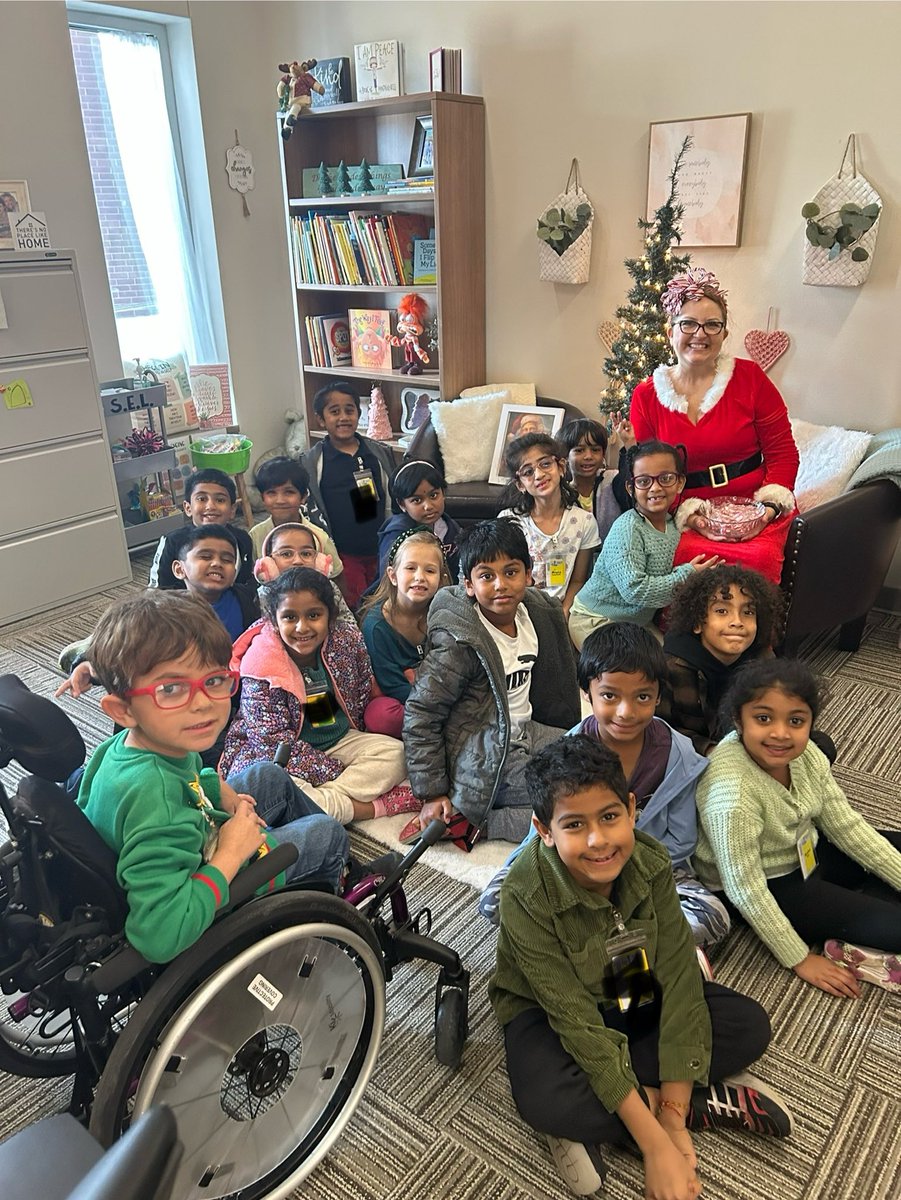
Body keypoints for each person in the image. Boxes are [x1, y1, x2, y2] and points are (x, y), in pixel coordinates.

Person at [490, 735, 792, 1200]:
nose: (598, 841)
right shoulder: (525, 895)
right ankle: (696, 1100)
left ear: (632, 809)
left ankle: (643, 1111)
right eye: (574, 825)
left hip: (624, 979)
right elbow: (575, 1024)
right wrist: (657, 1146)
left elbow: (680, 980)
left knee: (748, 1025)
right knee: (546, 1099)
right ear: (544, 830)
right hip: (544, 1009)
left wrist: (671, 1118)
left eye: (610, 817)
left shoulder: (649, 863)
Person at [75, 589, 352, 964]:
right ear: (121, 709)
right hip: (205, 895)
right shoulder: (157, 806)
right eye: (170, 689)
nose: (203, 702)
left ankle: (291, 853)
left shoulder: (136, 743)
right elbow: (159, 933)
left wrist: (213, 787)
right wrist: (232, 854)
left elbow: (183, 774)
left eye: (214, 680)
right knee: (326, 833)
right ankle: (325, 908)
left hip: (192, 843)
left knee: (266, 774)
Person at [479, 623, 730, 949]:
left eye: (642, 697)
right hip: (577, 862)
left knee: (712, 916)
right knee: (495, 900)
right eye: (610, 696)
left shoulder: (676, 752)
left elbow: (681, 842)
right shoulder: (570, 748)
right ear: (587, 693)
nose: (626, 712)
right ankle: (626, 942)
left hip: (647, 869)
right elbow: (541, 834)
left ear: (657, 697)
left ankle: (590, 942)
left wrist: (623, 874)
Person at [695, 658, 901, 997]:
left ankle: (853, 920)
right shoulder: (732, 794)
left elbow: (847, 826)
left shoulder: (807, 757)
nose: (780, 733)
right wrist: (799, 959)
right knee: (895, 926)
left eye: (796, 721)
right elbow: (745, 889)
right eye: (763, 718)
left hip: (802, 849)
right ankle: (840, 942)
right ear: (738, 722)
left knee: (889, 854)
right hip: (770, 883)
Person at [401, 518, 580, 845]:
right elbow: (421, 714)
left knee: (591, 761)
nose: (500, 585)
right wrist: (432, 792)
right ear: (468, 584)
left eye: (511, 572)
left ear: (529, 574)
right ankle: (473, 823)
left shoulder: (537, 614)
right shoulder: (459, 643)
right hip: (485, 747)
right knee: (564, 806)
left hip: (527, 729)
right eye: (486, 576)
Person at [629, 267, 799, 584]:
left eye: (712, 325)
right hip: (688, 514)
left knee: (758, 560)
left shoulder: (751, 379)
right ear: (670, 332)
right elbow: (649, 474)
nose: (700, 334)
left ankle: (752, 635)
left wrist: (767, 509)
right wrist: (688, 515)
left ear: (723, 334)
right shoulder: (646, 396)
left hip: (757, 508)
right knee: (678, 558)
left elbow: (783, 454)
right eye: (689, 324)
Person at [219, 566, 420, 824]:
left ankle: (318, 805)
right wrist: (333, 770)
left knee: (396, 754)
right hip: (273, 755)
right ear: (274, 619)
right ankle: (373, 808)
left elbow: (360, 689)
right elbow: (270, 744)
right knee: (270, 790)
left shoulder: (346, 639)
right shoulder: (260, 664)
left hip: (335, 739)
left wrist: (331, 769)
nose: (302, 627)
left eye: (314, 615)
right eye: (290, 617)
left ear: (330, 616)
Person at [569, 441, 721, 650]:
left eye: (666, 478)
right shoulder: (628, 527)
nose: (655, 488)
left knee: (672, 662)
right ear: (631, 488)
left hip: (635, 622)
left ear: (680, 483)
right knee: (635, 672)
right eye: (644, 481)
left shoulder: (672, 524)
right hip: (596, 619)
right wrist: (686, 574)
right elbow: (635, 590)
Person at [658, 565, 783, 755]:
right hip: (691, 759)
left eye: (748, 612)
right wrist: (711, 750)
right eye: (722, 611)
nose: (737, 621)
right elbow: (659, 731)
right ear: (698, 622)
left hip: (746, 748)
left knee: (820, 746)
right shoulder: (671, 668)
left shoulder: (763, 661)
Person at [302, 381, 396, 606]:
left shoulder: (378, 453)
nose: (343, 417)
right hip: (343, 551)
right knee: (355, 602)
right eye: (334, 412)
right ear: (321, 419)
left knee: (385, 599)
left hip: (380, 546)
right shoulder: (313, 461)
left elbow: (392, 494)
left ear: (359, 414)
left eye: (349, 410)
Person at [498, 433, 601, 620]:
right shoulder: (510, 521)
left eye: (545, 464)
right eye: (528, 472)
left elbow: (578, 579)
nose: (539, 475)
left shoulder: (584, 522)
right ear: (520, 484)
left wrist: (564, 612)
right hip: (521, 609)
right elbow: (506, 576)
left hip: (563, 608)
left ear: (561, 467)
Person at [360, 529, 450, 739]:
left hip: (441, 693)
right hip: (404, 699)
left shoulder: (444, 614)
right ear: (393, 575)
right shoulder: (376, 626)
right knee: (381, 715)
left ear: (441, 578)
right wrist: (436, 707)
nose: (419, 577)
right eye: (410, 568)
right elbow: (392, 685)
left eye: (430, 571)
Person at [249, 456, 345, 592]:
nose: (280, 500)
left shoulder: (319, 536)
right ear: (262, 498)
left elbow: (337, 577)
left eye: (289, 492)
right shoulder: (255, 535)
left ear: (304, 497)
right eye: (271, 493)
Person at [148, 468, 255, 590]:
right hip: (183, 606)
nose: (210, 506)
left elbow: (247, 585)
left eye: (220, 500)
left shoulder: (242, 539)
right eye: (202, 499)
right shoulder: (172, 541)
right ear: (188, 508)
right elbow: (156, 592)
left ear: (232, 510)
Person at [253, 521, 356, 629]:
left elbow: (350, 626)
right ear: (270, 562)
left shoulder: (330, 587)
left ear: (318, 560)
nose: (298, 561)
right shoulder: (264, 594)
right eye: (286, 554)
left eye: (306, 554)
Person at [376, 459, 463, 582]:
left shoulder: (451, 528)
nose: (428, 506)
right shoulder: (395, 534)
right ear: (402, 504)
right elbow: (386, 581)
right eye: (417, 500)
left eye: (433, 495)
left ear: (443, 493)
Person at [171, 525, 260, 641]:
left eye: (227, 560)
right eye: (206, 557)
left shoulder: (251, 600)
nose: (217, 564)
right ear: (179, 569)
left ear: (234, 572)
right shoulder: (167, 614)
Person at [558, 417, 630, 544]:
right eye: (579, 450)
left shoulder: (612, 480)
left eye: (595, 450)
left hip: (613, 556)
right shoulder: (560, 492)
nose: (588, 456)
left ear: (603, 454)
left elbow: (631, 481)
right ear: (566, 457)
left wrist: (629, 445)